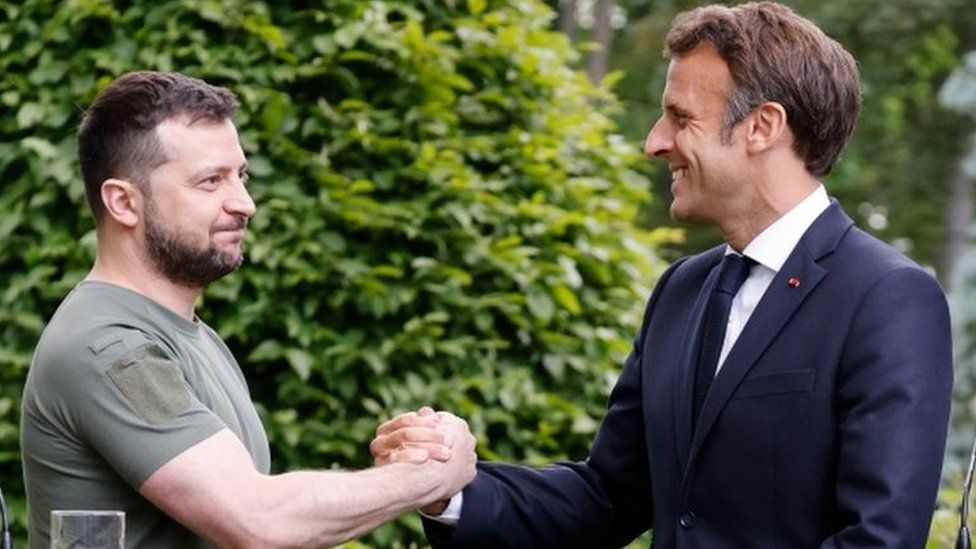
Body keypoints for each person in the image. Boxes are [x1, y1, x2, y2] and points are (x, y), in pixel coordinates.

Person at [370, 2, 954, 547]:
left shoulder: (889, 297)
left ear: (762, 127)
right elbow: (608, 496)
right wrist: (446, 489)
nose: (655, 142)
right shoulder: (682, 289)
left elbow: (877, 538)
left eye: (680, 117)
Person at [20, 71, 476, 549]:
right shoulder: (111, 350)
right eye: (210, 181)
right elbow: (259, 522)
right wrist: (428, 476)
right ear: (123, 203)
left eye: (241, 176)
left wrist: (400, 468)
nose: (245, 203)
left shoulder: (190, 336)